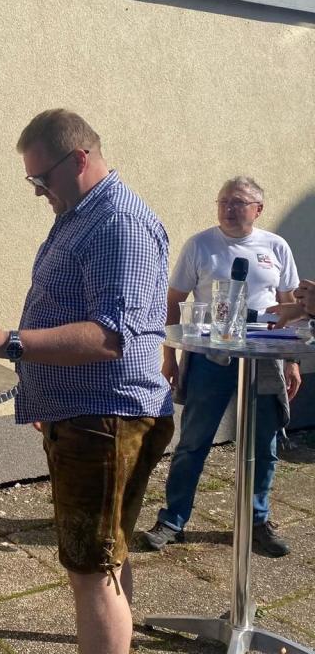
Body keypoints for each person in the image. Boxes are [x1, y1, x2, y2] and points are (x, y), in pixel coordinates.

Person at [0, 109, 173, 654]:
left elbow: (110, 336)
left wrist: (9, 342)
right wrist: (47, 393)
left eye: (41, 178)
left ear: (79, 159)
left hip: (104, 419)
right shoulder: (83, 214)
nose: (38, 191)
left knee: (91, 571)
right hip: (88, 414)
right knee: (105, 559)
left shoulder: (118, 223)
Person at [143, 176, 301, 557]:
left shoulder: (276, 247)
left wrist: (292, 361)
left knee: (264, 443)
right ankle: (172, 520)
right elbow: (174, 301)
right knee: (194, 441)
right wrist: (169, 356)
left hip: (265, 358)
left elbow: (291, 306)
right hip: (209, 358)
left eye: (239, 202)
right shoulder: (201, 246)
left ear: (258, 209)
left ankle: (257, 521)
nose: (229, 208)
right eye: (224, 201)